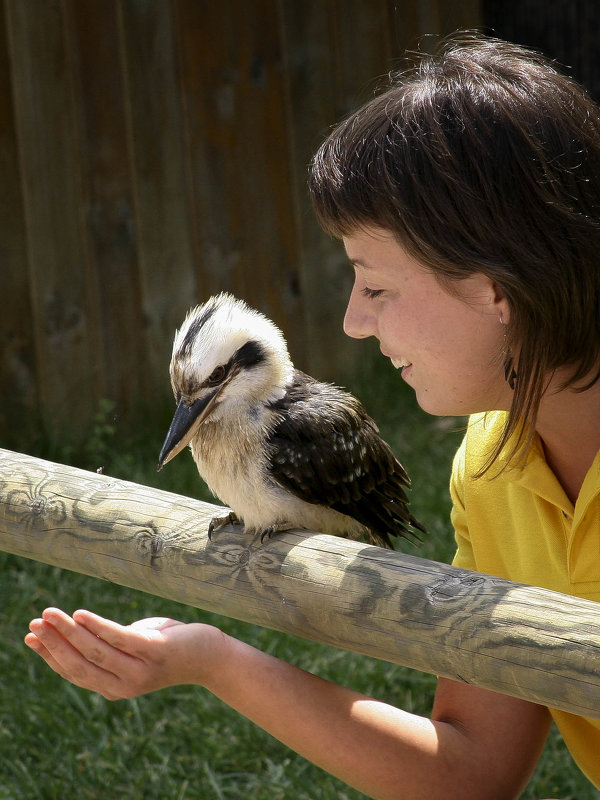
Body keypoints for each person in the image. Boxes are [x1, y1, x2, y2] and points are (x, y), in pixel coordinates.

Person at [24, 33, 600, 798]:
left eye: (376, 285)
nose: (354, 323)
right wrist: (211, 660)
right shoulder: (494, 463)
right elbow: (470, 770)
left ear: (496, 287)